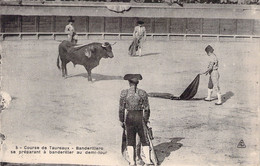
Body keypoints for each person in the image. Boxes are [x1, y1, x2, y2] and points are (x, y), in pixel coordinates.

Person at [119, 74, 152, 166]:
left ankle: (132, 162)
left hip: (129, 117)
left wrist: (121, 120)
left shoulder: (124, 93)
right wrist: (145, 120)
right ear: (137, 82)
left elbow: (121, 109)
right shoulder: (142, 93)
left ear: (129, 82)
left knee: (130, 140)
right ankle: (148, 161)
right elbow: (147, 109)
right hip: (139, 116)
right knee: (144, 139)